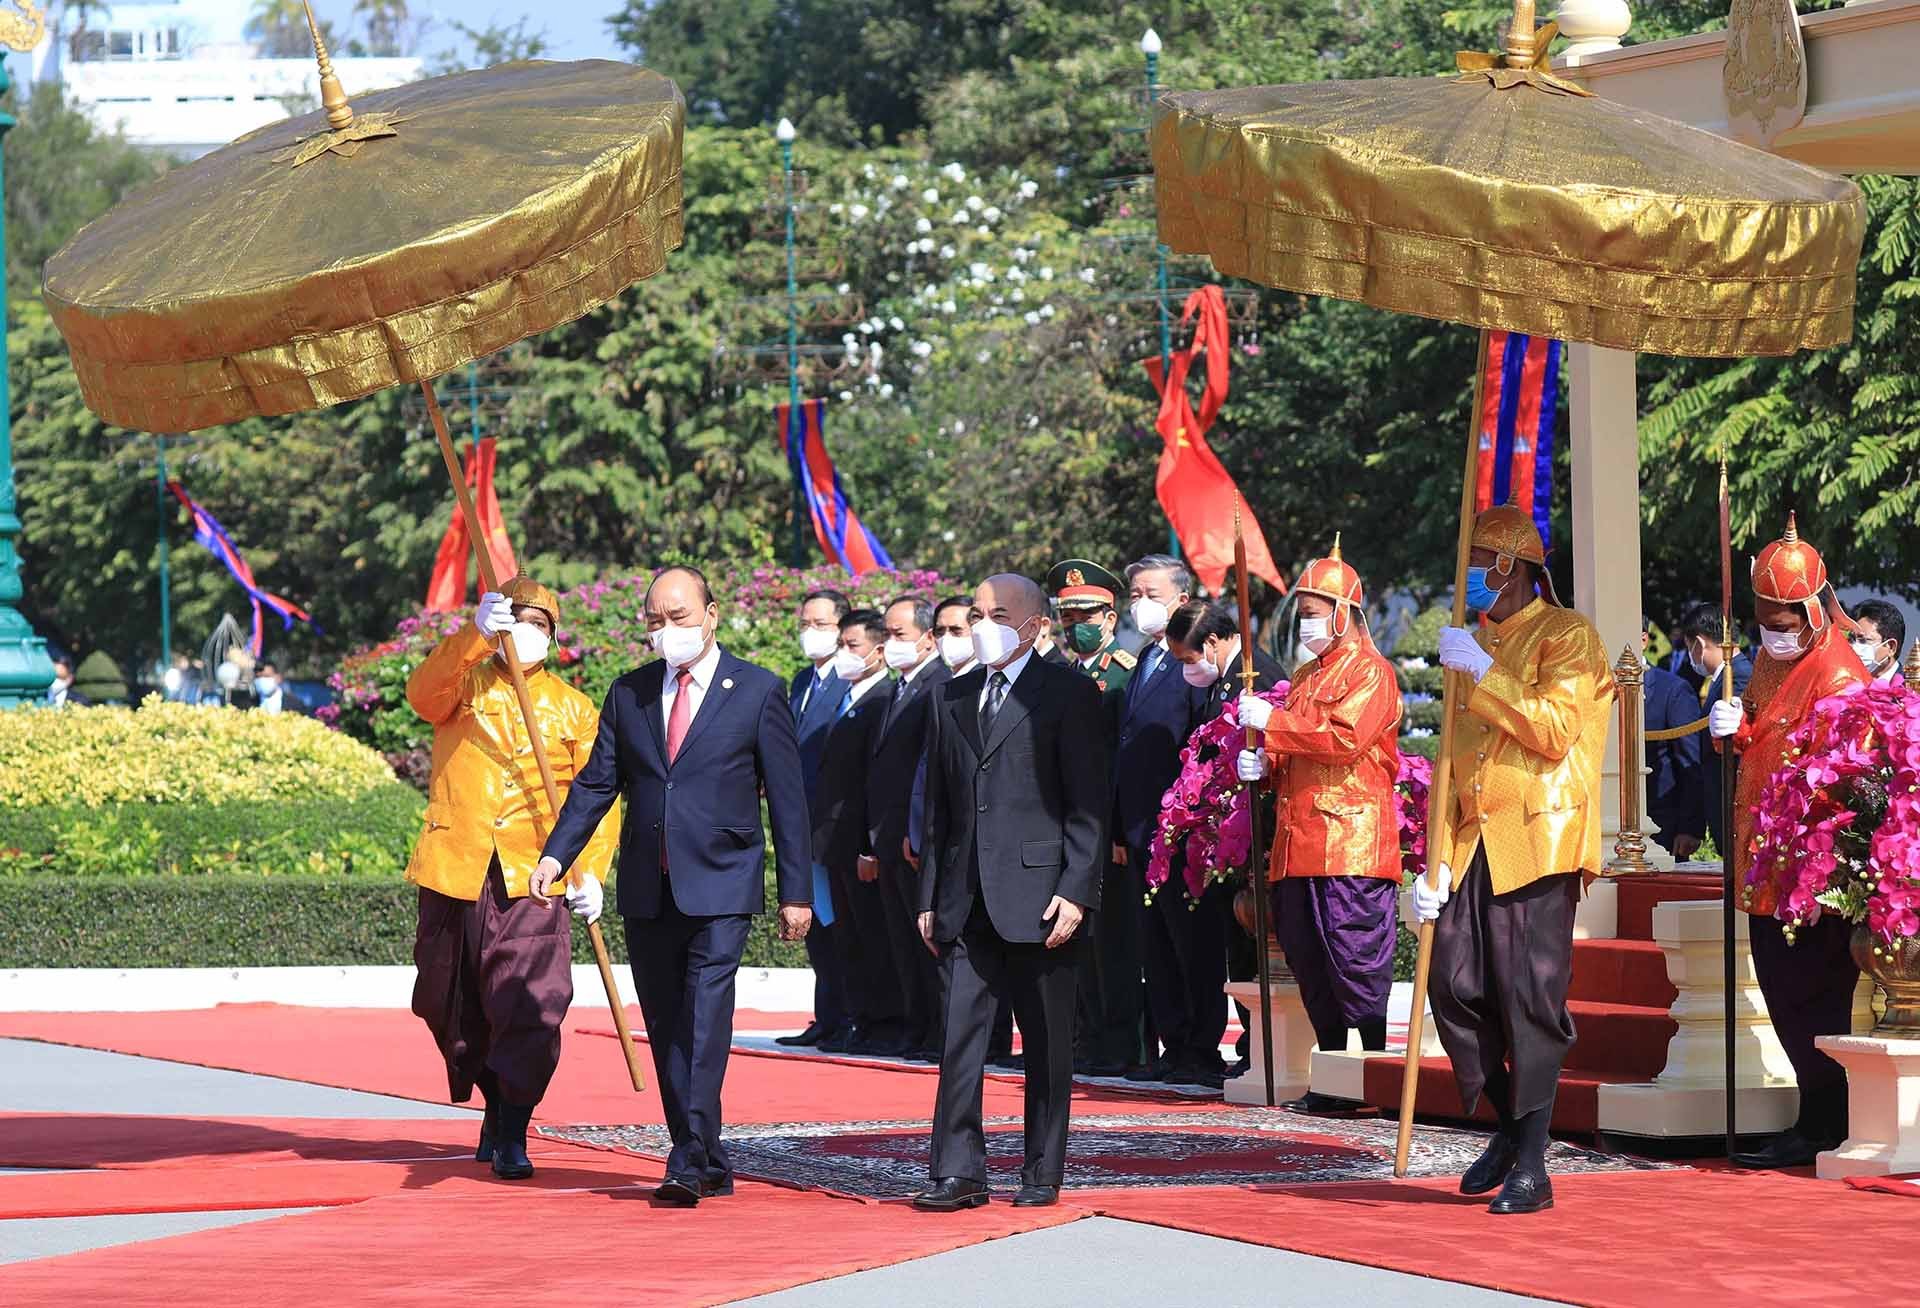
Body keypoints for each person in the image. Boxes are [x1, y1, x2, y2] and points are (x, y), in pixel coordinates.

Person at [536, 565, 812, 1206]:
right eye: (656, 621)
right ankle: (707, 1153)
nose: (668, 631)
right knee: (665, 1025)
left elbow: (789, 803)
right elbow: (597, 785)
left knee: (705, 1018)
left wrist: (795, 891)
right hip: (648, 885)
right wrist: (556, 855)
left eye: (680, 617)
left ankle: (685, 1158)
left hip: (722, 882)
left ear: (712, 615)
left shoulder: (758, 691)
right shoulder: (629, 692)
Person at [1410, 505, 1613, 1215]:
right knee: (1452, 984)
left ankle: (1532, 1163)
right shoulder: (1475, 640)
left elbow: (1557, 730)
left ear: (1511, 567)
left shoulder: (1569, 636)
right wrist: (1431, 860)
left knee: (1529, 1000)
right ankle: (1509, 1124)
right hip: (1472, 840)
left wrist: (1485, 672)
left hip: (1538, 839)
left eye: (1480, 565)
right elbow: (1452, 758)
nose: (1470, 580)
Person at [404, 575, 620, 1180]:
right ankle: (493, 1099)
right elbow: (421, 695)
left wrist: (591, 871)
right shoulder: (463, 681)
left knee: (530, 1003)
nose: (525, 633)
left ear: (554, 637)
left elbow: (597, 797)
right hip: (458, 866)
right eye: (514, 621)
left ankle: (514, 1124)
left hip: (538, 873)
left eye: (538, 624)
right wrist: (470, 635)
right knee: (447, 997)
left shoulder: (576, 708)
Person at [914, 574, 1107, 1211]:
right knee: (959, 1038)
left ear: (1034, 626)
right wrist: (928, 896)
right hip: (965, 897)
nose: (982, 624)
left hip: (1042, 896)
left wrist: (1077, 889)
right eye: (976, 612)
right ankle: (958, 1172)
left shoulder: (1070, 695)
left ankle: (1041, 1169)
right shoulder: (950, 695)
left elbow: (1087, 805)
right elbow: (938, 810)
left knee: (1046, 1043)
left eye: (997, 613)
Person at [1709, 514, 1869, 1170]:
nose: (1772, 635)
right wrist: (1732, 731)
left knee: (1814, 995)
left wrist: (1753, 738)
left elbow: (1843, 778)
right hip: (1768, 862)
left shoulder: (1838, 676)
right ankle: (1815, 1114)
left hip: (1816, 870)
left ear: (1812, 609)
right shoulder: (1776, 665)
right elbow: (1757, 726)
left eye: (1783, 622)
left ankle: (1826, 1119)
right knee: (1784, 989)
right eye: (1765, 622)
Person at [1233, 540, 1402, 1110]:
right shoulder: (1306, 676)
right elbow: (1296, 751)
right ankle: (1333, 1076)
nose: (1304, 622)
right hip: (1298, 838)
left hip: (1351, 837)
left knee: (1354, 955)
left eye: (1313, 610)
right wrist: (1263, 761)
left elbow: (1345, 739)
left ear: (1343, 611)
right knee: (1308, 956)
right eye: (1301, 611)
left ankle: (1373, 1073)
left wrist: (1274, 724)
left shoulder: (1373, 672)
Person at [1169, 597, 1285, 1078]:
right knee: (1236, 946)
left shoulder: (1254, 679)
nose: (1188, 670)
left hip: (1254, 833)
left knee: (1251, 943)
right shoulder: (1224, 680)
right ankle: (1252, 1047)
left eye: (1189, 659)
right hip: (1228, 833)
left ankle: (1264, 1048)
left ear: (1213, 642)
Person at [1116, 554, 1213, 1085]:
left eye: (1151, 594)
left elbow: (1200, 744)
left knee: (1190, 943)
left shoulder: (1192, 661)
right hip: (1139, 829)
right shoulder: (1146, 658)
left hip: (1181, 828)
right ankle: (1171, 1045)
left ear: (1182, 598)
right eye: (1135, 595)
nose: (1140, 605)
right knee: (1155, 943)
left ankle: (1200, 1048)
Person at [1045, 560, 1138, 1077]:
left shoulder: (1123, 673)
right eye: (1067, 615)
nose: (1074, 624)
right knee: (1072, 940)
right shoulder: (1065, 674)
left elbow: (1122, 762)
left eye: (1084, 613)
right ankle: (1086, 1035)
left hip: (1104, 828)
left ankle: (1121, 1041)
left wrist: (1121, 827)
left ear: (1109, 616)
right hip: (1064, 827)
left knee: (1113, 942)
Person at [810, 608, 900, 1054]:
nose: (844, 654)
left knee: (872, 937)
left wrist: (870, 844)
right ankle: (857, 1020)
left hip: (861, 841)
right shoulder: (846, 696)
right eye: (841, 645)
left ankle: (882, 1022)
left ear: (878, 650)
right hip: (833, 841)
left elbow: (874, 780)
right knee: (846, 937)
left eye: (853, 646)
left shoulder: (883, 698)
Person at [868, 595, 953, 1061]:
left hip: (916, 837)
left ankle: (940, 1029)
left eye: (899, 635)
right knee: (904, 941)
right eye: (888, 634)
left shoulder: (938, 683)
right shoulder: (901, 687)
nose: (891, 643)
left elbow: (929, 771)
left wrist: (917, 831)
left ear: (926, 638)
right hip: (891, 835)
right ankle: (916, 1024)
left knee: (930, 939)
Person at [781, 588, 851, 1049]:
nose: (811, 632)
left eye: (821, 625)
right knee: (818, 928)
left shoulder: (849, 680)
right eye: (806, 623)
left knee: (841, 926)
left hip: (835, 825)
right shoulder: (804, 681)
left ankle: (850, 1015)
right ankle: (826, 1015)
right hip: (801, 824)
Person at [1673, 601, 1754, 855]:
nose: (1691, 656)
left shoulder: (1737, 677)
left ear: (1698, 643)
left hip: (1734, 804)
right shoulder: (1724, 679)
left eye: (1690, 648)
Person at [1640, 617, 1708, 861]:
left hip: (1661, 826)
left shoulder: (1672, 690)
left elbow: (1690, 762)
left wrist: (1689, 827)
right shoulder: (1588, 688)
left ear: (1643, 640)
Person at [1851, 599, 1906, 687]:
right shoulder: (1845, 686)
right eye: (1851, 640)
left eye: (1863, 640)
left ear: (1891, 647)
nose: (1853, 648)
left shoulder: (1913, 689)